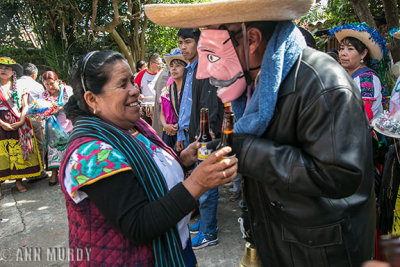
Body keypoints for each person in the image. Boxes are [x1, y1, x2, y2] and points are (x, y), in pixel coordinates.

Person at [145, 0, 376, 266]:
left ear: (252, 39)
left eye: (211, 54)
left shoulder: (322, 83)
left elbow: (340, 174)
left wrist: (242, 148)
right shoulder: (255, 83)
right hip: (279, 241)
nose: (204, 72)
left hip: (318, 251)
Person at [60, 50, 237, 266]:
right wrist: (198, 182)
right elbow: (139, 224)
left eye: (132, 82)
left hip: (177, 249)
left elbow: (145, 174)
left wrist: (181, 160)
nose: (136, 90)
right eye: (123, 84)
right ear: (92, 99)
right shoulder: (91, 154)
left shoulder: (134, 127)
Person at [176, 28, 225, 250]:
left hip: (205, 135)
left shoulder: (207, 67)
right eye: (180, 42)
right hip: (192, 133)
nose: (183, 47)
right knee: (199, 181)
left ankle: (209, 232)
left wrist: (209, 132)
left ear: (199, 42)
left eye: (187, 41)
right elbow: (188, 105)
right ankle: (204, 224)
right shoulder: (189, 69)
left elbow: (212, 103)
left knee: (207, 184)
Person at [0, 57, 42, 197]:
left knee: (19, 153)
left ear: (13, 72)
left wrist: (22, 120)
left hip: (18, 122)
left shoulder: (19, 87)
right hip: (1, 123)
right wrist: (2, 123)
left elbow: (25, 105)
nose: (3, 70)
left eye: (7, 68)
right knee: (2, 156)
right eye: (1, 67)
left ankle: (18, 181)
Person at [330, 23, 387, 120]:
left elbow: (363, 115)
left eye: (350, 49)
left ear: (363, 53)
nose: (343, 53)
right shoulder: (345, 73)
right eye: (342, 48)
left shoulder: (367, 79)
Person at [16, 63, 49, 182]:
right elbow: (41, 104)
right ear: (34, 74)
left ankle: (26, 171)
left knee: (23, 144)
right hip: (33, 118)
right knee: (38, 143)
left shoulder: (15, 83)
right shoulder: (37, 85)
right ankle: (39, 172)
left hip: (17, 118)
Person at [41, 71, 73, 186]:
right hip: (52, 127)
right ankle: (54, 174)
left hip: (68, 123)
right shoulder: (44, 95)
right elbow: (41, 109)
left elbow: (74, 103)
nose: (50, 87)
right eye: (46, 84)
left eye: (51, 83)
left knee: (70, 149)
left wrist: (60, 108)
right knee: (53, 150)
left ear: (57, 81)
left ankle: (71, 173)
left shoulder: (66, 90)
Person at [160, 49, 187, 149]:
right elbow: (162, 113)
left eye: (178, 65)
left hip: (184, 132)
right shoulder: (166, 91)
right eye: (171, 66)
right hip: (168, 132)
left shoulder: (190, 91)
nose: (174, 69)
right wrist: (165, 125)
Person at [134, 54, 163, 124]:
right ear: (151, 63)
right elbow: (133, 87)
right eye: (158, 64)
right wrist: (138, 95)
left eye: (161, 64)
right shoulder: (141, 74)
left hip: (160, 107)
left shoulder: (162, 74)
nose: (160, 66)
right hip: (146, 108)